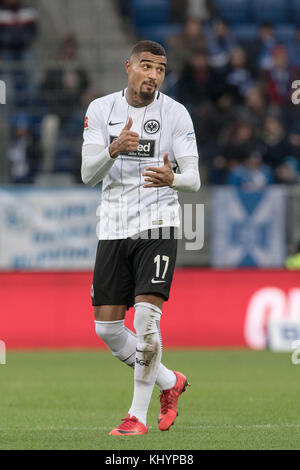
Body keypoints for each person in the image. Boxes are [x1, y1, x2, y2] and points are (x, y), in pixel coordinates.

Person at [81, 40, 200, 436]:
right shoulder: (100, 110)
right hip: (113, 226)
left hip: (159, 223)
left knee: (148, 319)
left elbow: (194, 180)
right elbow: (87, 174)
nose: (153, 75)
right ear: (128, 66)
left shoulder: (176, 114)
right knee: (108, 330)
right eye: (146, 66)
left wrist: (174, 178)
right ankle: (169, 381)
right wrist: (113, 149)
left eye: (161, 69)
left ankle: (137, 417)